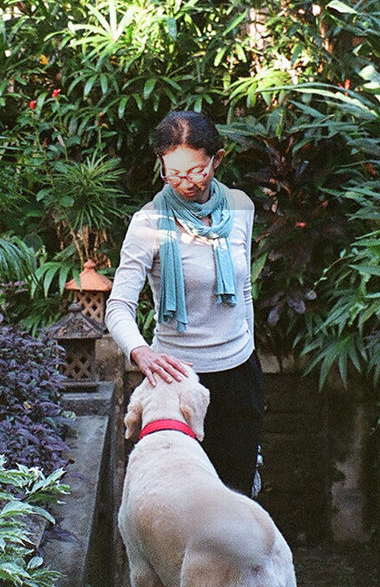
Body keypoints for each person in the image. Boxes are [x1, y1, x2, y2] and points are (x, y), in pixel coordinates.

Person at [104, 110, 264, 497]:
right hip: (176, 385)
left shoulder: (241, 207)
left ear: (217, 160)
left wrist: (248, 352)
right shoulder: (148, 222)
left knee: (236, 498)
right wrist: (140, 352)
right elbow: (118, 305)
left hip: (239, 376)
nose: (186, 183)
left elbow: (243, 293)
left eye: (196, 171)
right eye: (173, 173)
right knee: (181, 502)